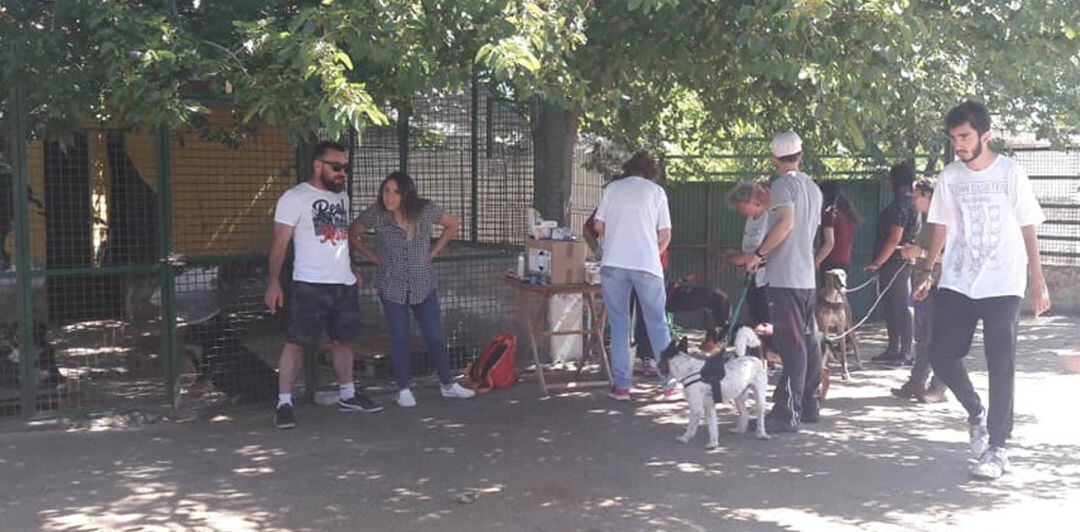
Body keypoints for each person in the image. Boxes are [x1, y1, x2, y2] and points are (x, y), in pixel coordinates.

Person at [915, 101, 1050, 480]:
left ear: (984, 135)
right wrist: (928, 270)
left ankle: (998, 447)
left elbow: (1027, 225)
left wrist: (1037, 278)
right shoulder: (950, 176)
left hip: (1004, 281)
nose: (958, 144)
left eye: (965, 136)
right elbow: (939, 225)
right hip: (958, 279)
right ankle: (976, 412)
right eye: (954, 138)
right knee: (941, 355)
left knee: (1000, 363)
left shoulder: (1010, 172)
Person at [265, 141, 383, 430]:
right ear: (318, 165)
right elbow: (279, 245)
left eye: (345, 166)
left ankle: (348, 395)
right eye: (337, 166)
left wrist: (351, 268)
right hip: (310, 284)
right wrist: (273, 284)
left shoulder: (342, 197)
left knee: (343, 341)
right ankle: (284, 403)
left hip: (342, 283)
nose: (343, 172)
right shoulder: (294, 198)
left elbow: (340, 238)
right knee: (296, 345)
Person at [349, 172, 476, 408]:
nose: (389, 196)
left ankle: (448, 384)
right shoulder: (376, 213)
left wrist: (434, 252)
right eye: (386, 190)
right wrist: (374, 257)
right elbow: (352, 234)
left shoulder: (425, 210)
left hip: (422, 283)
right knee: (400, 336)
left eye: (395, 191)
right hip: (391, 284)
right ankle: (403, 388)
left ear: (406, 193)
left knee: (435, 336)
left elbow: (452, 224)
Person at [743, 131, 823, 433]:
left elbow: (786, 224)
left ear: (775, 159)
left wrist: (759, 254)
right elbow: (806, 231)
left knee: (793, 346)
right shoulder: (814, 189)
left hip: (785, 278)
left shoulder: (781, 186)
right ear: (800, 155)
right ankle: (809, 404)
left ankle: (786, 413)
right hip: (806, 278)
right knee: (809, 344)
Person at [593, 151, 673, 401]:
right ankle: (668, 383)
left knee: (619, 325)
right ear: (650, 171)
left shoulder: (612, 189)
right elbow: (665, 233)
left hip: (613, 264)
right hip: (646, 265)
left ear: (628, 168)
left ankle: (622, 387)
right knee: (657, 323)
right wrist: (653, 250)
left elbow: (598, 226)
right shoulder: (656, 192)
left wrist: (616, 235)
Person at [584, 209, 670, 378]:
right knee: (623, 316)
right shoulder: (613, 202)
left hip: (648, 267)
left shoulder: (653, 198)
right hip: (625, 266)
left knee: (650, 315)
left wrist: (653, 255)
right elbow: (588, 229)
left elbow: (664, 234)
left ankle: (649, 358)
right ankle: (622, 364)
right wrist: (598, 251)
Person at [891, 179, 948, 403]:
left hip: (939, 285)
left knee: (939, 339)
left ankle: (939, 387)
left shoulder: (945, 221)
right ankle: (917, 382)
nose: (914, 201)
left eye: (916, 197)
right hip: (923, 285)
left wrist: (921, 253)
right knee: (922, 338)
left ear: (928, 195)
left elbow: (950, 255)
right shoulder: (928, 221)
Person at [866, 162, 920, 366]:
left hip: (896, 262)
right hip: (896, 262)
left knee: (902, 306)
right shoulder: (909, 203)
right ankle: (893, 348)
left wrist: (878, 262)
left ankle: (905, 352)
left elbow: (894, 238)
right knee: (891, 306)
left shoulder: (901, 205)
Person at [726, 181, 773, 336]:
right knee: (756, 318)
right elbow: (749, 249)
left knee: (767, 319)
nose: (738, 209)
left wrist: (742, 258)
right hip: (753, 275)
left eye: (740, 205)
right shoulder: (751, 219)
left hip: (768, 277)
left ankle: (770, 354)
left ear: (753, 201)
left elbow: (765, 248)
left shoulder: (769, 217)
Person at [815, 181, 863, 275]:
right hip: (845, 262)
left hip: (831, 263)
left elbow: (829, 243)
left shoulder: (830, 214)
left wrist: (816, 261)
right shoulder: (846, 213)